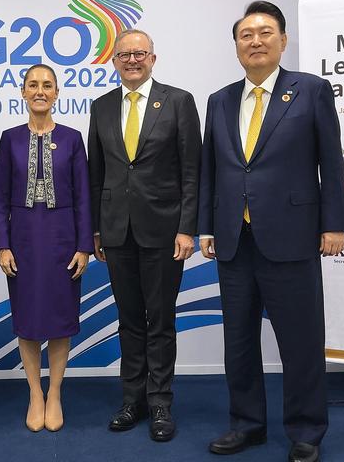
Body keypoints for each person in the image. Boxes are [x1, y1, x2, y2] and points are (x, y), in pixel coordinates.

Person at [199, 1, 344, 462]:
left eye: (266, 32)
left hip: (293, 234)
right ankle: (247, 424)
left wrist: (335, 224)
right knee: (238, 340)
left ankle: (306, 431)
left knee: (300, 340)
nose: (256, 41)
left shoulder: (311, 91)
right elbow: (211, 169)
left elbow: (331, 160)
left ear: (283, 41)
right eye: (247, 35)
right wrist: (205, 226)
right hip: (234, 238)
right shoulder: (220, 100)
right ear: (237, 45)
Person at [88, 29, 201, 442]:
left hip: (165, 231)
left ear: (153, 58)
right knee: (129, 321)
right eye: (124, 55)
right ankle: (131, 399)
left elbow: (192, 170)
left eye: (139, 54)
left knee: (161, 321)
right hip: (117, 232)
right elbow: (95, 173)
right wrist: (96, 229)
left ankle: (160, 404)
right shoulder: (100, 107)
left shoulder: (178, 101)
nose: (131, 60)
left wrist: (188, 227)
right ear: (114, 61)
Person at [0, 64, 92, 432]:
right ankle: (35, 392)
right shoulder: (10, 138)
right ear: (22, 91)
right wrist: (2, 244)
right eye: (32, 85)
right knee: (29, 320)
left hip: (64, 239)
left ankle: (55, 392)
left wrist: (84, 246)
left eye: (47, 85)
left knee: (61, 319)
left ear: (57, 92)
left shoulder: (71, 138)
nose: (40, 91)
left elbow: (84, 197)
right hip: (23, 242)